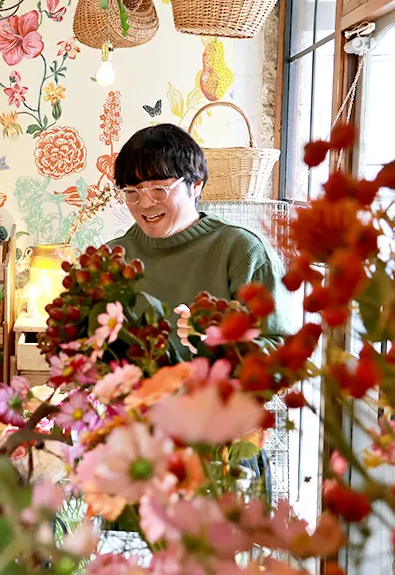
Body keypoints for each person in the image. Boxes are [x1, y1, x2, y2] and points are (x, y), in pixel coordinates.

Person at [107, 123, 293, 501]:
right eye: (132, 192)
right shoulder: (113, 257)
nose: (145, 203)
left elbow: (282, 355)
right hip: (139, 451)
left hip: (224, 452)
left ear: (196, 185)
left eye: (159, 189)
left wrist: (223, 347)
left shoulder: (240, 251)